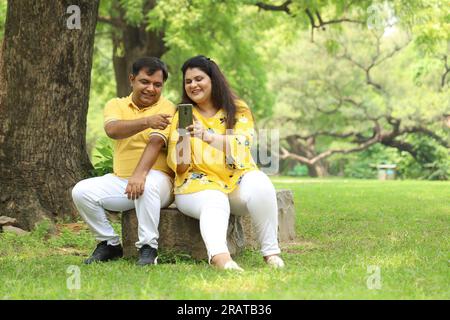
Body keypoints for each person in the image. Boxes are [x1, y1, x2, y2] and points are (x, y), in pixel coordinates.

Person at [167, 55, 285, 271]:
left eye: (199, 78)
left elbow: (242, 144)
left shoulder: (237, 109)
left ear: (213, 80)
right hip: (196, 185)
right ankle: (221, 260)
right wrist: (183, 139)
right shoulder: (183, 115)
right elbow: (181, 168)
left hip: (235, 181)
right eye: (188, 81)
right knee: (214, 198)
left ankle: (271, 253)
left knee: (261, 182)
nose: (193, 85)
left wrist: (207, 136)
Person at [72, 57, 176, 266]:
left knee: (148, 184)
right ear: (132, 79)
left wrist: (140, 174)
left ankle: (148, 248)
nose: (151, 89)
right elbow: (113, 130)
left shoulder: (167, 106)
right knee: (81, 191)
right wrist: (147, 121)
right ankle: (109, 244)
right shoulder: (116, 104)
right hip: (122, 180)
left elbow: (155, 142)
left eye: (157, 85)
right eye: (145, 82)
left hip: (160, 182)